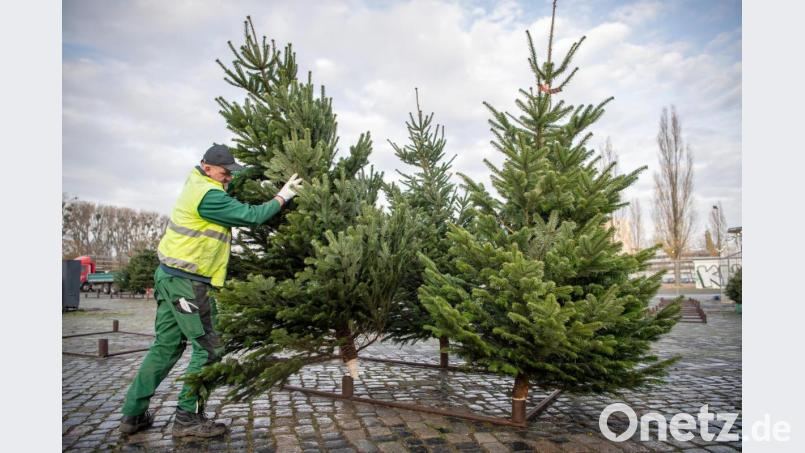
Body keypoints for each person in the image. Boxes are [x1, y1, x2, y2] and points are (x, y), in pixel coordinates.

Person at [118, 143, 303, 438]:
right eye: (224, 172)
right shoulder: (209, 196)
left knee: (166, 346)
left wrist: (258, 166)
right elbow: (252, 216)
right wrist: (283, 196)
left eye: (231, 172)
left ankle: (133, 414)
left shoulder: (199, 182)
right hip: (188, 282)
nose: (229, 177)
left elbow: (231, 182)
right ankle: (187, 418)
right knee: (209, 349)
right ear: (207, 168)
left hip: (170, 275)